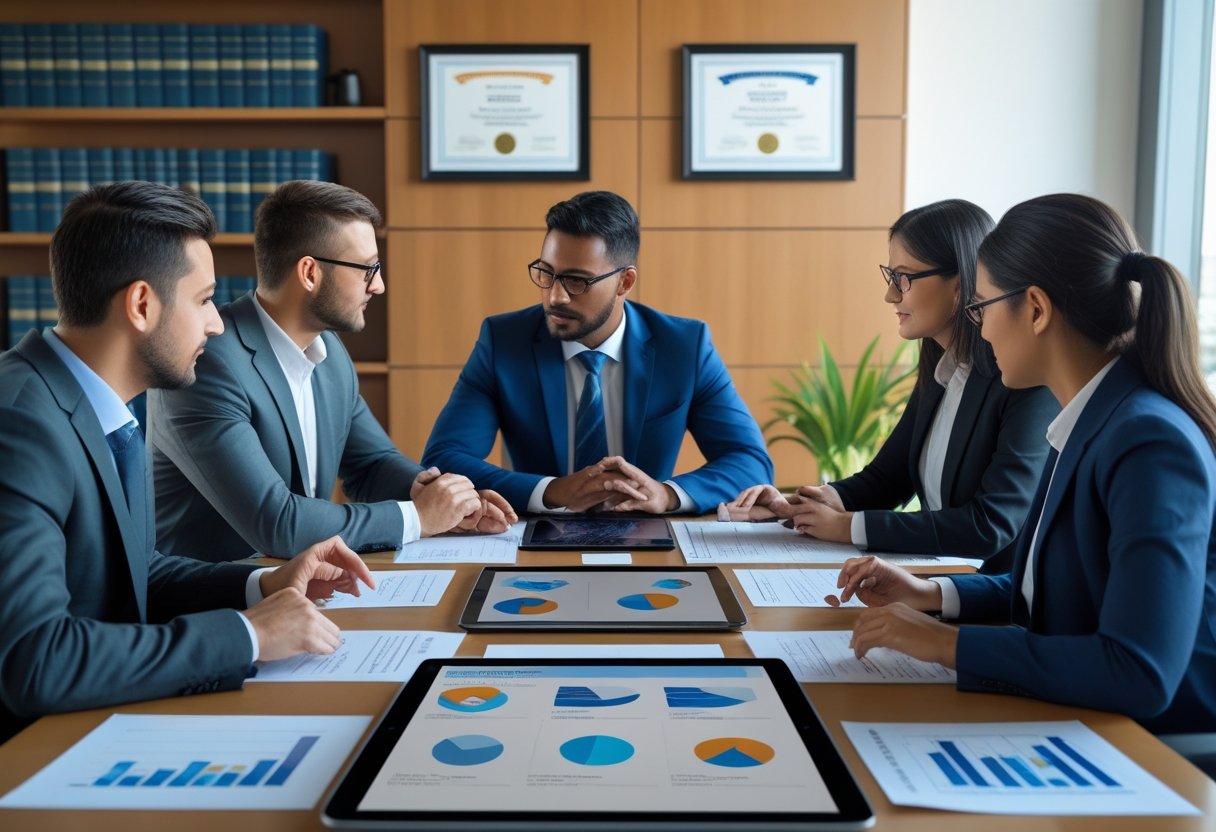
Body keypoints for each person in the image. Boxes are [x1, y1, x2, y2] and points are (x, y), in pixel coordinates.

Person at [0, 182, 375, 743]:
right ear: (142, 305)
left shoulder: (101, 405)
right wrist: (248, 636)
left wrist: (264, 585)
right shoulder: (20, 425)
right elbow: (36, 660)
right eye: (203, 300)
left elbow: (138, 574)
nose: (217, 324)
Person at [833, 193, 1216, 741]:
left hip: (1151, 749)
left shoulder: (1148, 442)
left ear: (1035, 309)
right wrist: (932, 594)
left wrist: (946, 644)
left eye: (982, 307)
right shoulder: (1087, 415)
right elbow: (1054, 590)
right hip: (1079, 718)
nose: (981, 330)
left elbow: (1138, 671)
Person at [149, 180, 516, 562]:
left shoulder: (329, 353)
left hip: (301, 579)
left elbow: (371, 465)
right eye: (368, 269)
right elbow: (277, 524)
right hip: (216, 590)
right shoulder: (208, 363)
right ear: (309, 273)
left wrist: (445, 500)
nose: (379, 286)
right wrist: (419, 517)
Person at [727, 200, 1057, 572]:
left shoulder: (1023, 380)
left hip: (992, 594)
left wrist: (848, 527)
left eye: (904, 278)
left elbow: (990, 525)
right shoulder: (942, 369)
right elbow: (888, 479)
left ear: (961, 283)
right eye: (890, 276)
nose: (890, 295)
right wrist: (804, 504)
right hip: (939, 580)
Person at [422, 190, 773, 514]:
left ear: (625, 282)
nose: (555, 296)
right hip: (535, 534)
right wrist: (552, 491)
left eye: (577, 281)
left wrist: (666, 495)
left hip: (648, 533)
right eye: (546, 273)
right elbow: (444, 459)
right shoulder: (504, 341)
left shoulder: (684, 346)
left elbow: (750, 461)